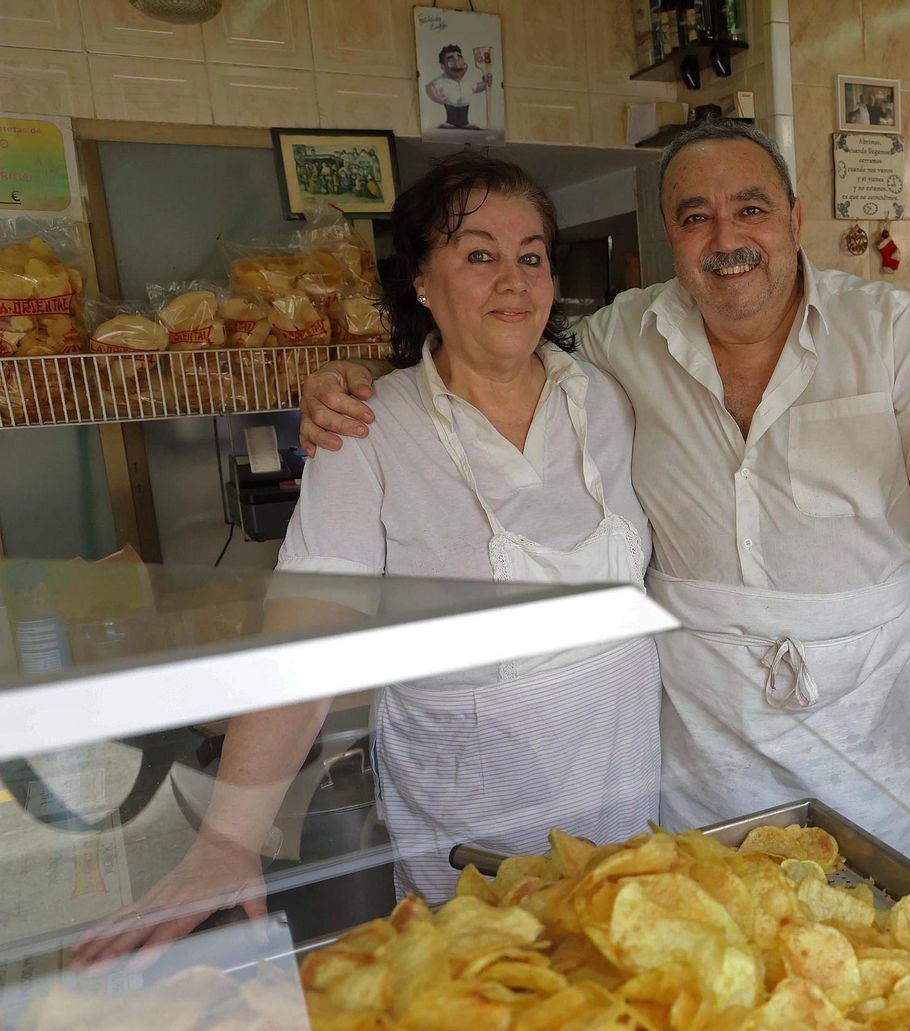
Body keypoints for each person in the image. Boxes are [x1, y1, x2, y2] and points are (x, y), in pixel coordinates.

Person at [298, 120, 910, 872]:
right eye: (696, 217)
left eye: (751, 208)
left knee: (878, 921)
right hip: (704, 751)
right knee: (704, 930)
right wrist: (369, 377)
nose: (726, 238)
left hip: (868, 732)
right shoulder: (621, 337)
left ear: (794, 219)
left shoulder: (887, 328)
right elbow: (497, 346)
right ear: (670, 236)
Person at [71, 155, 658, 965]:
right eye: (479, 254)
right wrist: (229, 838)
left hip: (626, 814)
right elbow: (308, 633)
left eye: (532, 256)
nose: (514, 280)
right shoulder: (369, 429)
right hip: (477, 839)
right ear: (421, 280)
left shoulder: (607, 398)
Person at [426, 43, 491, 130]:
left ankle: (464, 123)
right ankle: (450, 123)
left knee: (464, 116)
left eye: (460, 59)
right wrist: (437, 97)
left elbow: (477, 87)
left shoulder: (467, 80)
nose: (457, 63)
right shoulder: (442, 80)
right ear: (443, 67)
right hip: (450, 107)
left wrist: (486, 83)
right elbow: (429, 87)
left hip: (464, 107)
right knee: (451, 116)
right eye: (451, 60)